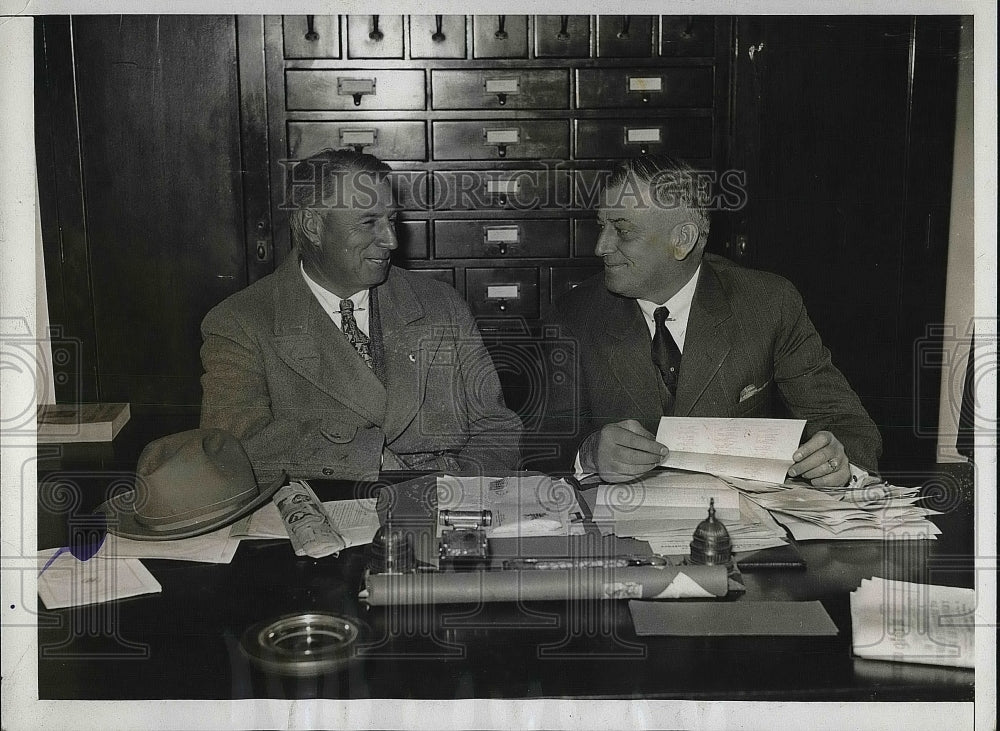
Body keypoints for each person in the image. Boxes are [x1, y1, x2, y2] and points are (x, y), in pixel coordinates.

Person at [543, 154, 881, 486]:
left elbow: (847, 424)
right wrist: (587, 454)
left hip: (738, 528)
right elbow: (541, 444)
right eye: (602, 226)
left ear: (683, 240)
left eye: (623, 231)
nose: (601, 246)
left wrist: (837, 461)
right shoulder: (575, 315)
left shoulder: (768, 304)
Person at [200, 149, 521, 483]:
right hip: (323, 506)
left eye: (391, 221)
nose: (392, 240)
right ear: (313, 225)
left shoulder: (441, 305)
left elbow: (497, 426)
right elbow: (234, 446)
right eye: (369, 223)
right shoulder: (240, 322)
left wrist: (459, 490)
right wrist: (371, 458)